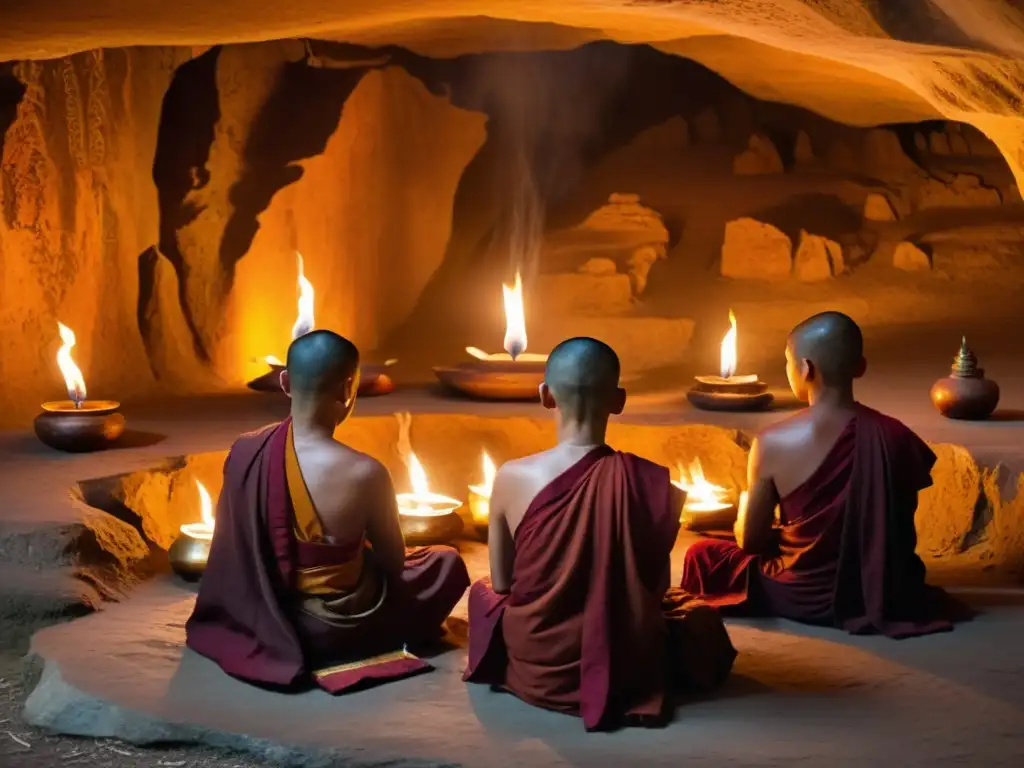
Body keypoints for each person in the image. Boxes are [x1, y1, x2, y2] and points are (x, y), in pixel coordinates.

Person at [464, 337, 736, 731]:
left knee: (482, 594)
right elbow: (656, 590)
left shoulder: (511, 476)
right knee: (698, 619)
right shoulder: (648, 482)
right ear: (619, 401)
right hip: (624, 658)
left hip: (538, 661)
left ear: (545, 396)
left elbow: (504, 582)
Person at [186, 330, 470, 692]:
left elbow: (232, 548)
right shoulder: (366, 472)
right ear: (348, 389)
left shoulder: (246, 450)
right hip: (338, 630)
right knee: (443, 562)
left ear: (285, 382)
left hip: (263, 618)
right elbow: (394, 563)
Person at [679, 311, 963, 638]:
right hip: (884, 591)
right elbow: (897, 530)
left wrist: (745, 506)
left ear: (805, 369)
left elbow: (751, 541)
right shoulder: (895, 436)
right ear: (861, 367)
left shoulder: (772, 441)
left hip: (801, 593)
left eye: (788, 362)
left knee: (703, 555)